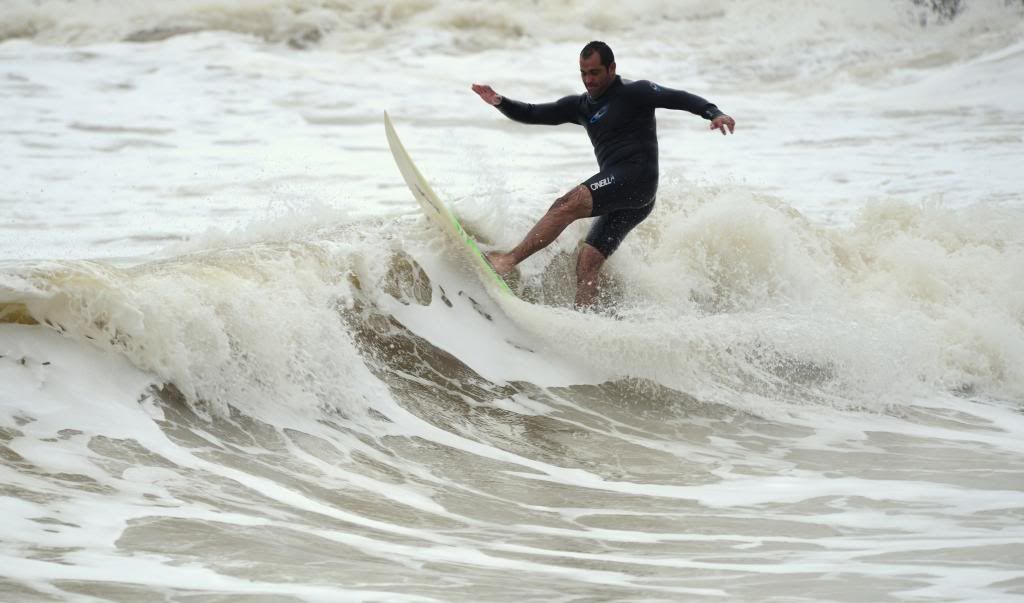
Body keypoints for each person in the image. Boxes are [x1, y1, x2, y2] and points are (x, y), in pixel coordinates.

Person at [472, 40, 735, 309]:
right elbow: (532, 113)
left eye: (595, 72)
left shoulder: (636, 92)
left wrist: (713, 113)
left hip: (637, 179)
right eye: (583, 73)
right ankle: (587, 321)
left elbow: (677, 98)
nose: (588, 80)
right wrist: (498, 101)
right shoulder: (580, 106)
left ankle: (508, 260)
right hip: (632, 199)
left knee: (566, 204)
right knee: (588, 261)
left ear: (612, 69)